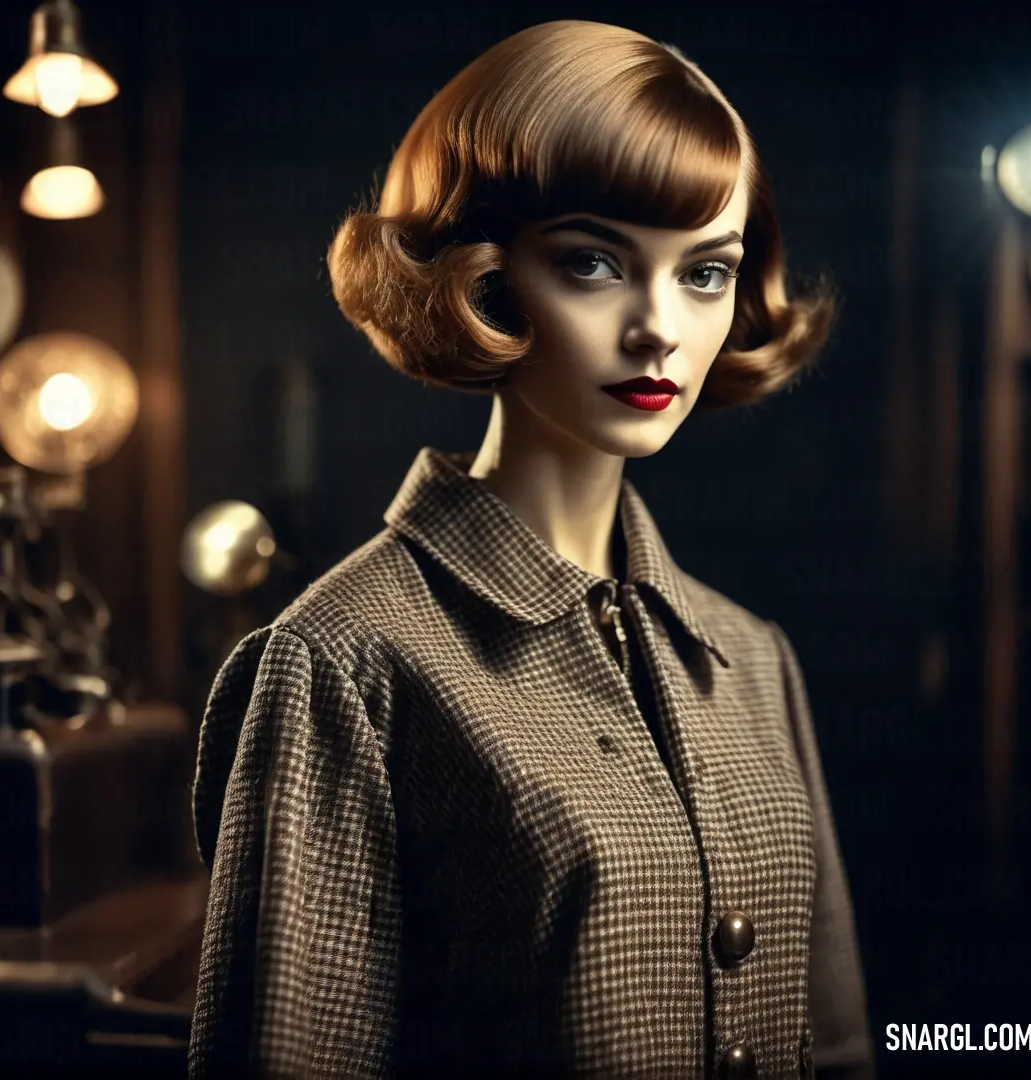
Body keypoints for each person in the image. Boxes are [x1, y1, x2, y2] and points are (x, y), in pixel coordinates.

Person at [189, 19, 875, 1080]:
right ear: (484, 278)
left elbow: (835, 1045)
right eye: (594, 262)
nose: (658, 326)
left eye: (705, 273)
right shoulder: (342, 661)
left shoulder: (752, 658)